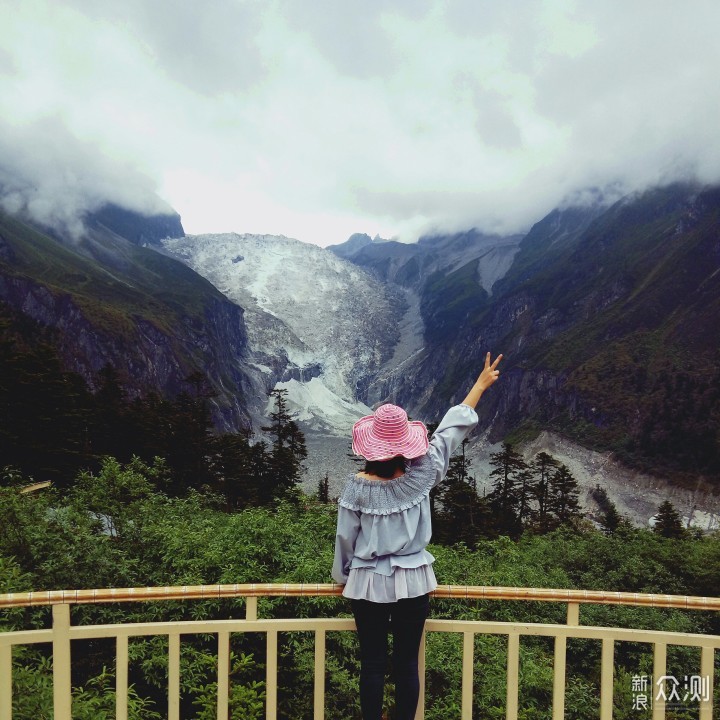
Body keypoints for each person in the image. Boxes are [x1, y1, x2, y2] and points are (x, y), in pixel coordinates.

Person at [332, 352, 503, 720]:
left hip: (366, 584)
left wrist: (342, 578)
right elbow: (449, 433)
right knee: (408, 663)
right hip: (414, 581)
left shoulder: (356, 490)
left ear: (370, 447)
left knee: (372, 665)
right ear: (405, 444)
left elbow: (345, 542)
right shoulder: (424, 474)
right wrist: (479, 386)